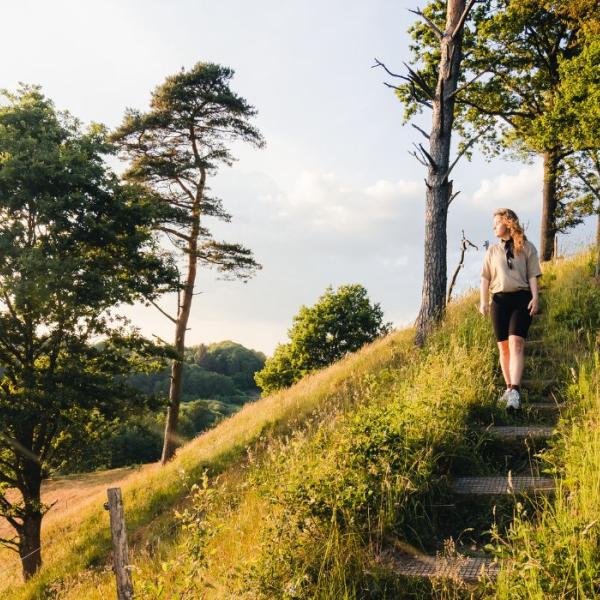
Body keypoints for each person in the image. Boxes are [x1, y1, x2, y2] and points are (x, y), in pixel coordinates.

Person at [479, 208, 543, 411]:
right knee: (503, 347)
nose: (493, 227)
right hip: (499, 301)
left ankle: (515, 391)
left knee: (516, 343)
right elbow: (485, 278)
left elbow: (533, 275)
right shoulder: (492, 251)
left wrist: (535, 297)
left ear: (508, 223)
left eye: (496, 222)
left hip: (521, 299)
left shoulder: (527, 247)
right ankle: (508, 388)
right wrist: (484, 302)